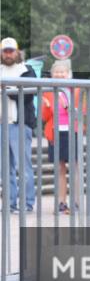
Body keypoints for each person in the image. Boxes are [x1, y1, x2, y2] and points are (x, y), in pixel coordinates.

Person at [40, 60, 83, 215]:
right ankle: (61, 202)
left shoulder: (76, 90)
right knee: (60, 168)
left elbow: (82, 112)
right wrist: (45, 106)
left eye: (62, 72)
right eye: (56, 72)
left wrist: (72, 109)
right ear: (52, 74)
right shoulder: (48, 91)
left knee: (76, 167)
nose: (59, 74)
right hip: (55, 132)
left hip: (73, 131)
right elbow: (44, 117)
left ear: (68, 74)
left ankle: (77, 202)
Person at [1, 37, 37, 213]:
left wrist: (6, 89)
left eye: (11, 50)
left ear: (17, 51)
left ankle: (27, 203)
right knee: (5, 169)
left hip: (19, 123)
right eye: (5, 51)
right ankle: (9, 203)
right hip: (2, 123)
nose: (8, 54)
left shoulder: (27, 70)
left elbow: (29, 96)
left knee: (23, 167)